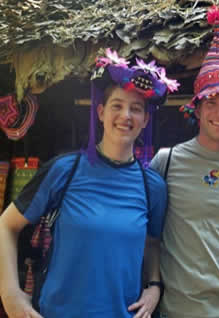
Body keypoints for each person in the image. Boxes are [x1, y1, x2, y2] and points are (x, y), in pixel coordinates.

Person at [0, 48, 179, 318]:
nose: (126, 116)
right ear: (100, 112)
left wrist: (154, 286)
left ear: (145, 120)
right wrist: (11, 295)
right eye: (117, 106)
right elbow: (6, 225)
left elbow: (152, 243)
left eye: (136, 109)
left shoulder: (152, 186)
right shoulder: (64, 170)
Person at [149, 6, 219, 318]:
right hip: (175, 309)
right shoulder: (166, 161)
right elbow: (148, 234)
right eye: (211, 103)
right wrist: (152, 283)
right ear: (197, 110)